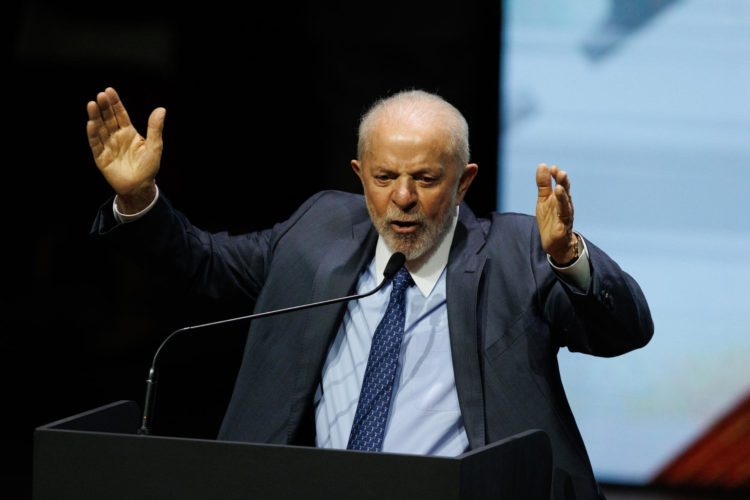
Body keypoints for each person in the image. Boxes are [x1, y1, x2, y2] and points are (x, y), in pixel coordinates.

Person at [87, 87, 653, 499]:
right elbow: (204, 264)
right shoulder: (318, 231)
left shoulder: (514, 252)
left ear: (465, 181)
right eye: (383, 179)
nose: (401, 198)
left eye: (426, 180)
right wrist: (139, 199)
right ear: (360, 175)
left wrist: (566, 256)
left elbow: (625, 330)